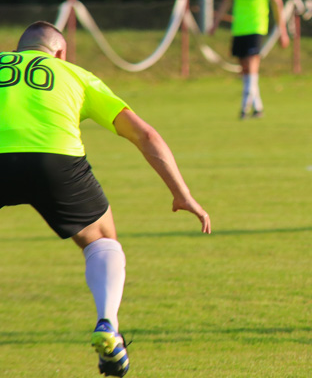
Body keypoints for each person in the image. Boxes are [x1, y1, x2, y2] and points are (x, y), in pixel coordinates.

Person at [0, 21, 211, 376]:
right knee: (101, 241)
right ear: (60, 53)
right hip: (55, 161)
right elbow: (145, 134)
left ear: (15, 50)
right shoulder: (74, 74)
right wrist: (182, 193)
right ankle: (107, 326)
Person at [208, 0, 289, 119]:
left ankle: (244, 107)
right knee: (245, 69)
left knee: (252, 65)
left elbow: (277, 4)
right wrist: (215, 23)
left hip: (257, 26)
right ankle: (258, 107)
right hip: (239, 28)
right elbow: (226, 1)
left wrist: (283, 31)